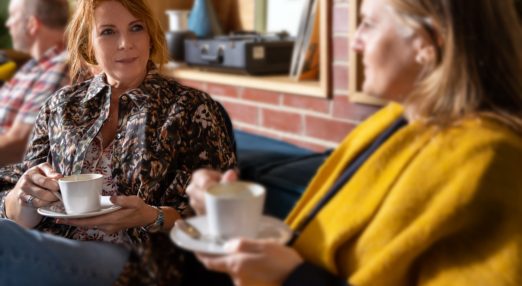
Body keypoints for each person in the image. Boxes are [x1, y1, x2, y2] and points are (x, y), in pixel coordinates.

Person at [185, 0, 522, 285]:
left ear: (428, 42)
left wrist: (294, 278)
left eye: (369, 24)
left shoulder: (491, 160)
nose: (356, 42)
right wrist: (226, 206)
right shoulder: (394, 120)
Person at [0, 0, 236, 285]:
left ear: (150, 36)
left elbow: (221, 220)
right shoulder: (60, 106)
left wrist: (151, 216)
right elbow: (17, 203)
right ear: (89, 43)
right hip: (45, 246)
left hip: (138, 260)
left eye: (136, 28)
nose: (126, 43)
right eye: (108, 32)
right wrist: (21, 198)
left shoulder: (191, 108)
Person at [0, 0, 70, 167]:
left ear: (32, 24)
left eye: (13, 17)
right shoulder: (32, 67)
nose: (8, 24)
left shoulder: (60, 67)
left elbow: (21, 144)